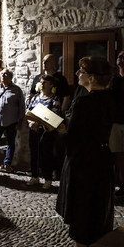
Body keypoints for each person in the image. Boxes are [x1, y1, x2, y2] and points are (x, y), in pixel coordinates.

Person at [56, 56, 115, 247]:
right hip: (102, 159)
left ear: (92, 78)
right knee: (98, 213)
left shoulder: (85, 103)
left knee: (82, 215)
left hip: (83, 166)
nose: (76, 74)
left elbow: (73, 138)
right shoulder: (111, 98)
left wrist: (58, 129)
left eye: (81, 71)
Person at [0, 69, 25, 173]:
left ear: (11, 77)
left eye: (6, 74)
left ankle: (7, 164)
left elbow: (22, 107)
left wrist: (20, 121)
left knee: (11, 143)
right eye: (2, 74)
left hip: (12, 121)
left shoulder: (17, 90)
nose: (3, 75)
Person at [26, 74, 61, 189]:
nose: (42, 84)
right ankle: (35, 176)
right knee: (34, 153)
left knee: (46, 154)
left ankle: (47, 178)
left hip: (47, 132)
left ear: (51, 85)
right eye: (41, 82)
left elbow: (54, 116)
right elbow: (29, 111)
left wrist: (40, 122)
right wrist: (31, 123)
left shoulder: (54, 99)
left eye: (44, 82)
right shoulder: (36, 97)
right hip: (34, 130)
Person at [110, 50, 124, 196]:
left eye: (123, 57)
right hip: (116, 122)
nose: (120, 59)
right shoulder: (114, 81)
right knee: (117, 155)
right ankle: (119, 182)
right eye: (119, 57)